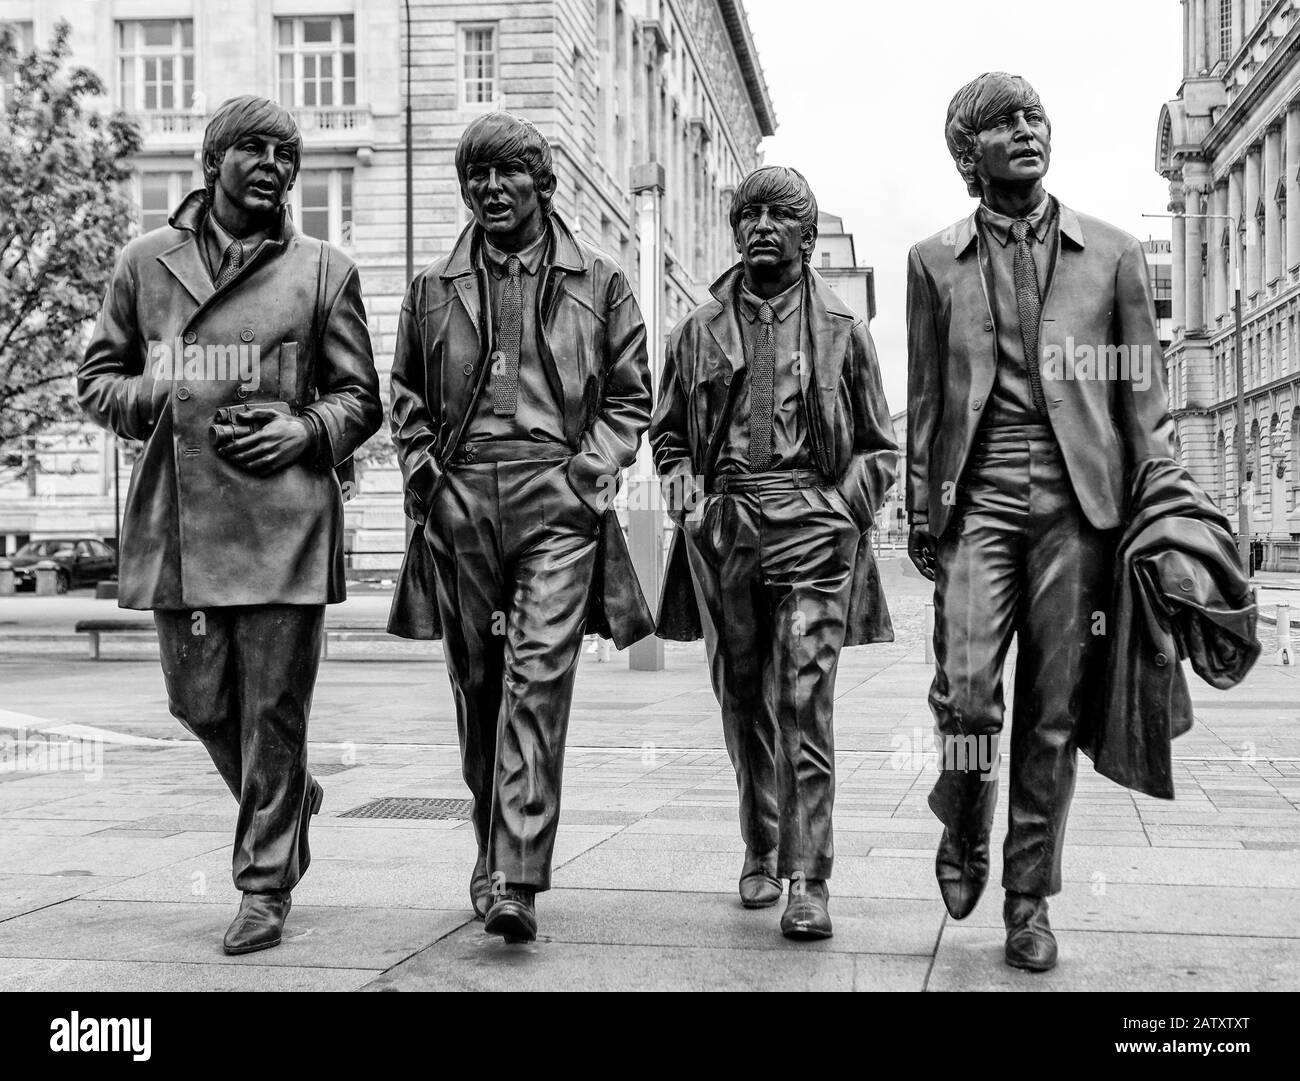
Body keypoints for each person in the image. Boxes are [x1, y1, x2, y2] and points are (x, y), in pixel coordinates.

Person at [78, 95, 382, 954]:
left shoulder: (323, 268)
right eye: (257, 148)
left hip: (286, 520)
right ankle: (286, 793)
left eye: (288, 153)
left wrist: (306, 427)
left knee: (275, 710)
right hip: (181, 518)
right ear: (212, 162)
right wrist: (166, 397)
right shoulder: (145, 263)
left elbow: (362, 398)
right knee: (197, 698)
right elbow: (99, 378)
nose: (277, 165)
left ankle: (263, 882)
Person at [906, 72, 1176, 971]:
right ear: (967, 155)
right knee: (970, 693)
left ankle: (1029, 899)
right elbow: (925, 400)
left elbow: (1143, 400)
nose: (1027, 131)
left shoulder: (1113, 253)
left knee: (1052, 712)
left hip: (1078, 507)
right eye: (1002, 124)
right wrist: (919, 507)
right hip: (977, 501)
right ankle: (965, 817)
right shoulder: (931, 261)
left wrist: (1161, 508)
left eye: (1034, 117)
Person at [387, 113, 654, 943]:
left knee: (537, 679)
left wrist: (588, 471)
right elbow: (404, 396)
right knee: (480, 688)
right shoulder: (433, 288)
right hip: (463, 498)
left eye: (507, 173)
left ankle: (517, 873)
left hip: (557, 500)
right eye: (477, 176)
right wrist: (427, 471)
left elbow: (630, 396)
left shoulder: (601, 282)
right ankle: (491, 845)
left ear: (543, 184)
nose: (491, 189)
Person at [651, 166, 897, 940]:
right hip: (726, 525)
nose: (761, 224)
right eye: (749, 213)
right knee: (741, 695)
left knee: (803, 700)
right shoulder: (697, 331)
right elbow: (667, 437)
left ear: (806, 236)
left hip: (812, 523)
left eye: (779, 214)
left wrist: (839, 511)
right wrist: (688, 496)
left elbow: (878, 448)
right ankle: (760, 842)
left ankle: (808, 875)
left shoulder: (844, 333)